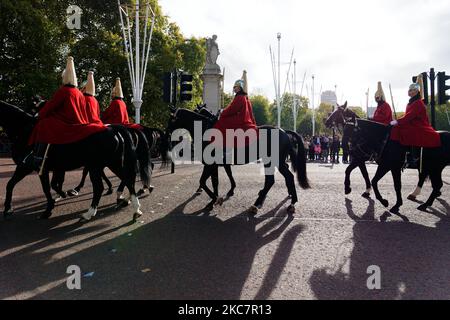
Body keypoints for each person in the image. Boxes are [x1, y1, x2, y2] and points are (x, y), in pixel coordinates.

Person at [26, 56, 107, 170]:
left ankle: (38, 157)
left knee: (44, 124)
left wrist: (40, 114)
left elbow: (51, 105)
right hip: (80, 121)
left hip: (67, 122)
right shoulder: (78, 93)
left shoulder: (63, 91)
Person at [390, 75, 441, 167]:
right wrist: (398, 120)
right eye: (409, 90)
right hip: (412, 123)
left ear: (417, 92)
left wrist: (398, 121)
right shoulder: (411, 102)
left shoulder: (418, 103)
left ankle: (413, 157)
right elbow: (406, 115)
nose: (410, 92)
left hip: (419, 125)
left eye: (412, 90)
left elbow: (410, 116)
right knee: (396, 129)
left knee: (405, 131)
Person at [213, 70, 258, 153]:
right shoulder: (242, 97)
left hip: (240, 119)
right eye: (234, 87)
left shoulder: (240, 97)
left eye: (235, 87)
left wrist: (222, 112)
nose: (234, 88)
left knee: (221, 122)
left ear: (240, 87)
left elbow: (232, 109)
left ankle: (224, 149)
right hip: (242, 118)